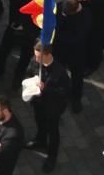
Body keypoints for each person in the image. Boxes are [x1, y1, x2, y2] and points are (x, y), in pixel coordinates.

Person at [25, 41, 70, 172]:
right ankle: (40, 140)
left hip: (52, 108)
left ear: (47, 54)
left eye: (39, 56)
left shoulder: (60, 72)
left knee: (53, 131)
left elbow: (64, 92)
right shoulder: (35, 62)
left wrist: (46, 89)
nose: (36, 59)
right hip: (38, 103)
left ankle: (52, 156)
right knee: (39, 121)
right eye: (35, 55)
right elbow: (29, 72)